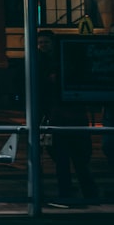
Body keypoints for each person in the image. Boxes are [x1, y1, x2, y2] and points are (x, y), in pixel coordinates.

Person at [37, 30, 97, 206]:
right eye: (40, 43)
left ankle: (73, 192)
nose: (42, 46)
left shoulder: (46, 63)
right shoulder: (62, 61)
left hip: (61, 116)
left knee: (70, 159)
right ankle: (84, 192)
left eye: (45, 42)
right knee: (70, 159)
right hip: (63, 115)